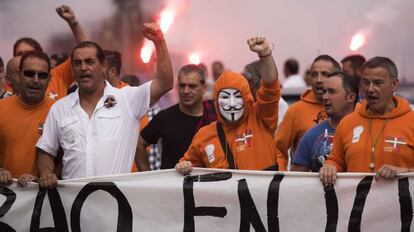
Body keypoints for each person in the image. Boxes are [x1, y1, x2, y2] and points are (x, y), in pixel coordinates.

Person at [36, 22, 173, 188]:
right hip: (72, 207)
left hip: (115, 206)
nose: (83, 68)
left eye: (89, 62)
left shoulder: (127, 99)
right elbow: (46, 150)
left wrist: (159, 41)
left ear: (103, 66)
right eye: (77, 63)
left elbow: (165, 83)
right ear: (72, 69)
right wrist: (46, 173)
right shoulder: (60, 108)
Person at [176, 36, 280, 174]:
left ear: (246, 99)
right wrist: (183, 166)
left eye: (237, 97)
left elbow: (271, 88)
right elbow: (185, 167)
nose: (231, 104)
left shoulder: (261, 118)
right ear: (216, 101)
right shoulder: (204, 136)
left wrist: (265, 54)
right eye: (225, 97)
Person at [320, 57, 414, 186]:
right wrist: (330, 167)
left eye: (377, 83)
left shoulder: (411, 122)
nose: (370, 89)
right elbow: (336, 161)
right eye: (366, 82)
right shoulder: (347, 122)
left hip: (399, 205)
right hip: (355, 205)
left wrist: (405, 172)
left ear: (394, 84)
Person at [136, 64, 217, 171]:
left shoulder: (215, 115)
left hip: (207, 184)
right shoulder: (165, 117)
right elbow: (139, 144)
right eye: (182, 86)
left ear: (204, 88)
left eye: (192, 86)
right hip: (172, 185)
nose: (186, 91)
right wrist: (146, 178)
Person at [275, 55, 341, 170]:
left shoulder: (352, 109)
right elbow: (278, 149)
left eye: (325, 74)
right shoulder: (296, 111)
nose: (318, 80)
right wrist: (281, 174)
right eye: (314, 74)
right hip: (308, 186)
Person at [0, 51, 54, 186]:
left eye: (42, 75)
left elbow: (68, 160)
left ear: (50, 78)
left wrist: (44, 177)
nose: (35, 80)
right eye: (29, 73)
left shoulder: (58, 111)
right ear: (19, 75)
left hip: (44, 199)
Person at [13, 5, 87, 100]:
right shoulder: (8, 85)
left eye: (29, 53)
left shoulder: (57, 76)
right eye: (20, 54)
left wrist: (73, 22)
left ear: (41, 56)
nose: (24, 57)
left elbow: (85, 50)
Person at [292, 72, 358, 172]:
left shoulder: (367, 132)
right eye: (324, 91)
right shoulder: (311, 136)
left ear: (351, 97)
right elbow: (295, 182)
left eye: (332, 92)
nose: (325, 97)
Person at [242, 60, 288, 127]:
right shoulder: (251, 104)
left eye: (247, 81)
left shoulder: (278, 105)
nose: (245, 86)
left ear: (254, 82)